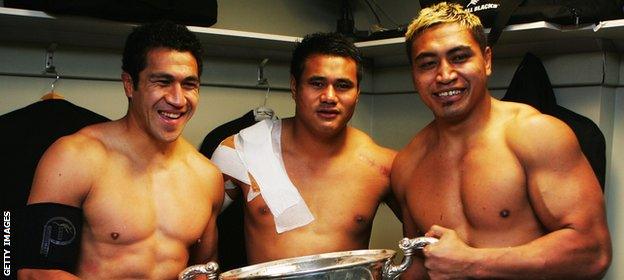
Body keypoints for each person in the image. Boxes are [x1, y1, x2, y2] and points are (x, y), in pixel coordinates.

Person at [391, 2, 612, 279]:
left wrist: (471, 261)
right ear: (414, 75)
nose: (445, 75)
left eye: (459, 57)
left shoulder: (536, 135)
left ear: (486, 60)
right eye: (427, 64)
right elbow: (421, 266)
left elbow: (593, 252)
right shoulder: (407, 165)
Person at [18, 21, 223, 279]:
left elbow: (204, 271)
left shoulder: (207, 177)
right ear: (129, 84)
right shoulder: (75, 157)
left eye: (189, 84)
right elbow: (34, 272)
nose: (177, 99)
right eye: (162, 82)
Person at [211, 32, 397, 264]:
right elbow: (186, 231)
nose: (329, 97)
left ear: (357, 93)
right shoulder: (241, 152)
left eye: (343, 85)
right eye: (317, 83)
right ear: (294, 87)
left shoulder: (382, 166)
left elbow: (430, 238)